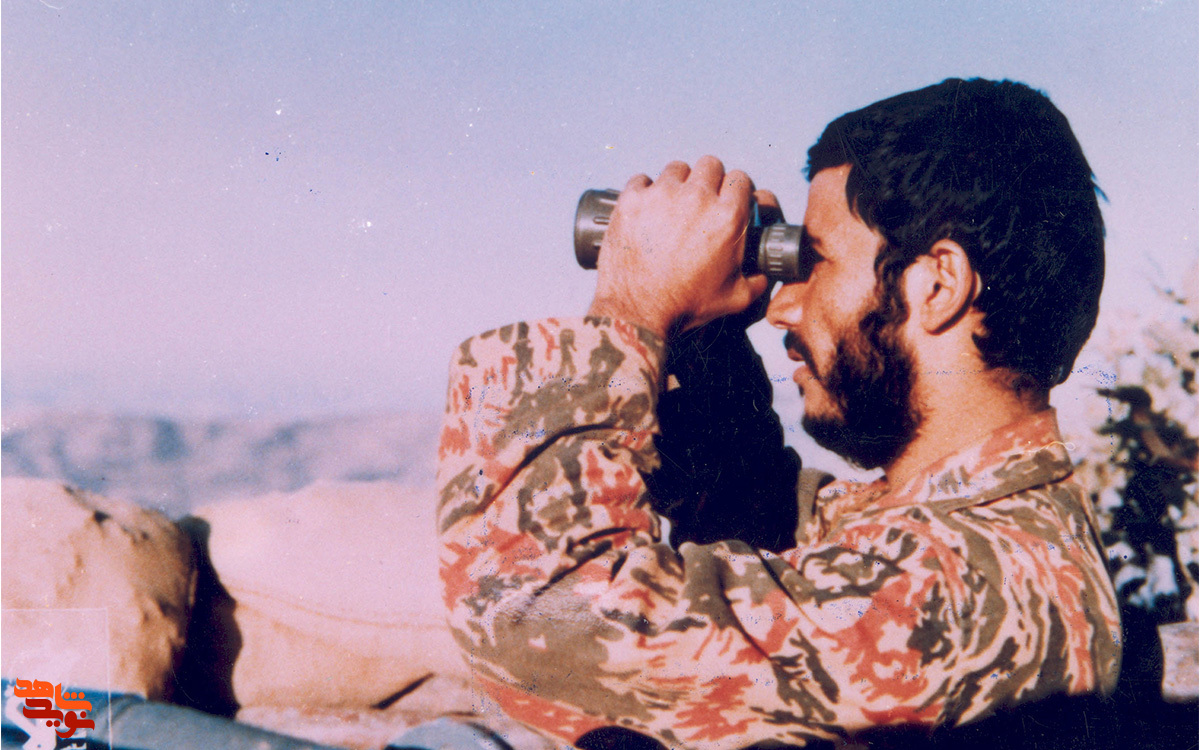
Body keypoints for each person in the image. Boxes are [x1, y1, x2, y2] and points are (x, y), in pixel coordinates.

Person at [435, 78, 1121, 749]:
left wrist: (632, 308)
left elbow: (532, 613)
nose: (784, 307)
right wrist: (703, 340)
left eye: (814, 263)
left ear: (938, 285)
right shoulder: (984, 532)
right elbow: (761, 531)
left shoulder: (958, 584)